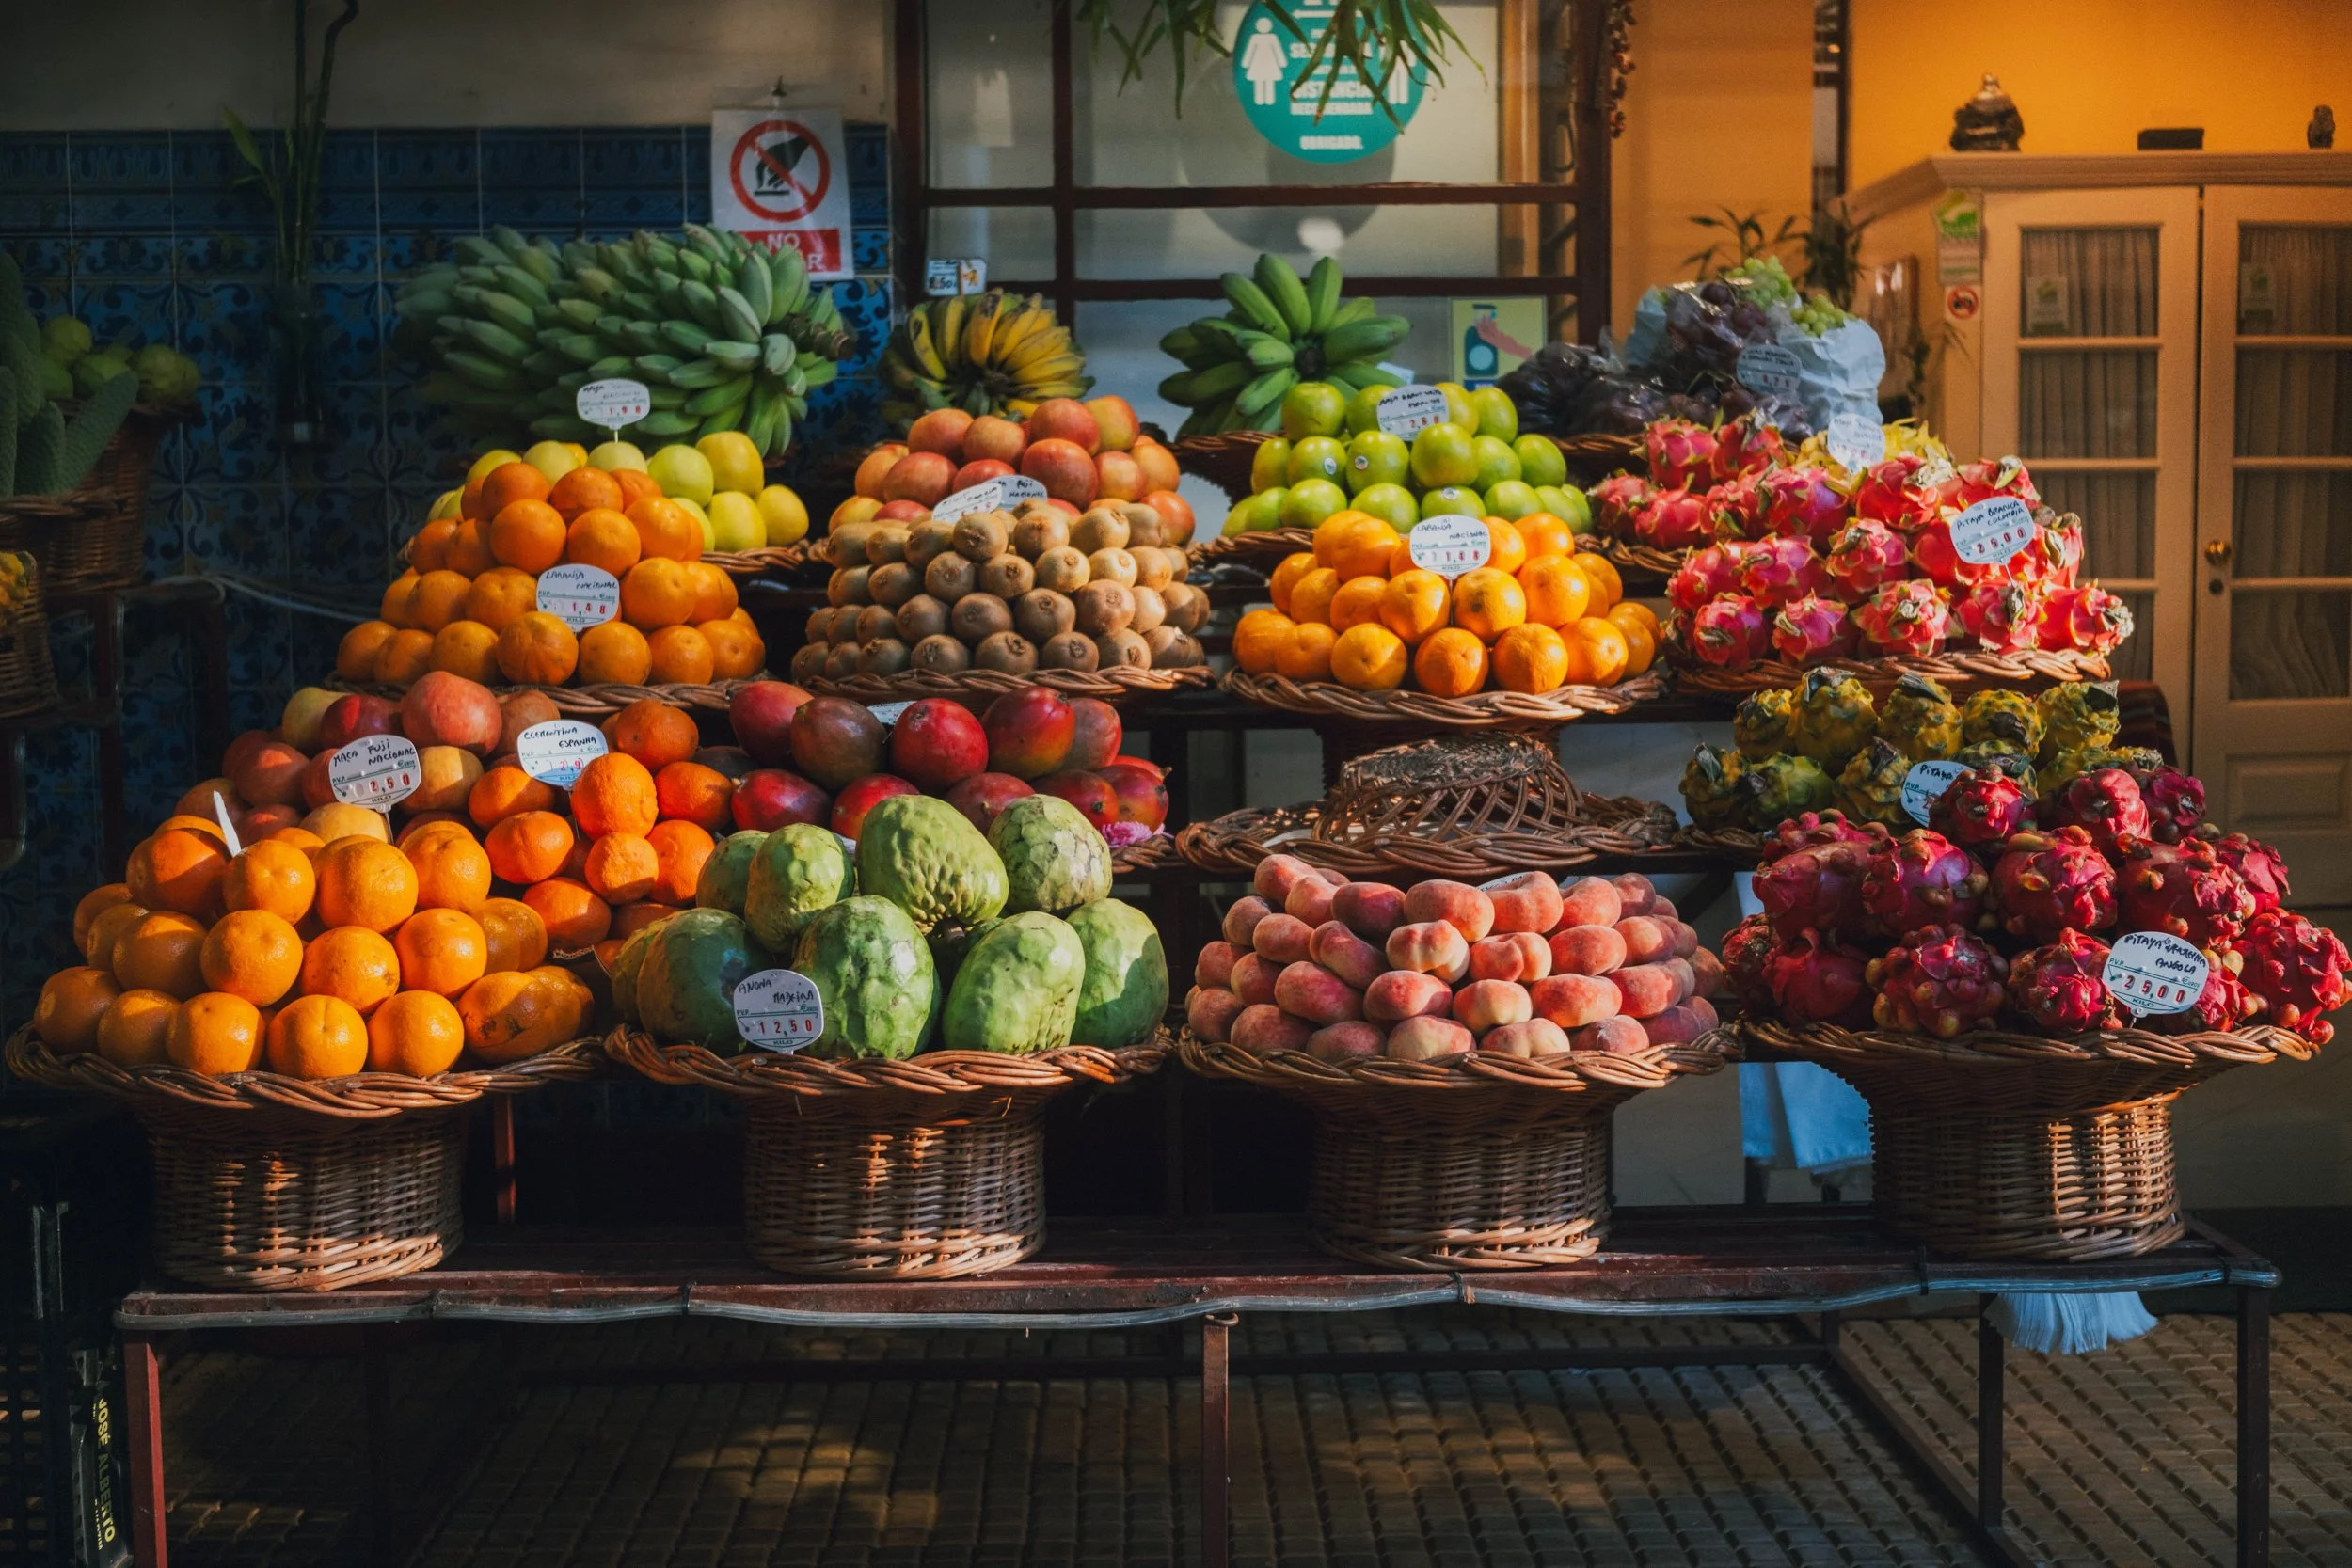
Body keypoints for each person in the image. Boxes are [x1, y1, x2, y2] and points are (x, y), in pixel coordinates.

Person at [1242, 18, 1287, 108]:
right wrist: (1282, 63)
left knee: (1266, 81)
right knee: (1263, 81)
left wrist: (1245, 63)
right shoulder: (1257, 37)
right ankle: (1262, 99)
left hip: (1263, 64)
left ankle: (1266, 100)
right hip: (1262, 63)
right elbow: (1250, 50)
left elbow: (1277, 50)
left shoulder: (1271, 37)